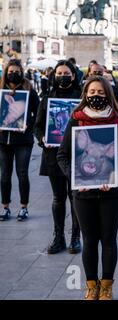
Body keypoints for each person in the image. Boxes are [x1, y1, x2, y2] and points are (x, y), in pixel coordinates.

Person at [57, 76, 118, 300]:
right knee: (89, 240)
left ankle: (107, 286)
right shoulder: (76, 120)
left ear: (108, 95)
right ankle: (92, 286)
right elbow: (63, 156)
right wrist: (75, 178)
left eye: (100, 93)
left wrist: (114, 176)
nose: (95, 97)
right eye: (92, 92)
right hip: (82, 194)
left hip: (112, 193)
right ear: (85, 94)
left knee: (109, 239)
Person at [34, 60, 82, 253]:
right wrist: (42, 137)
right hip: (54, 155)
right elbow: (37, 125)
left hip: (77, 155)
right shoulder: (47, 98)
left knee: (75, 197)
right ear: (54, 75)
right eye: (59, 73)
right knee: (58, 198)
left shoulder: (81, 97)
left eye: (66, 73)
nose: (63, 76)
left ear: (73, 75)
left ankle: (75, 238)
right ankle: (58, 237)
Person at [0, 59, 40, 222]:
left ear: (21, 72)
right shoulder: (1, 89)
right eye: (10, 71)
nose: (13, 74)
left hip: (23, 140)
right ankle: (5, 207)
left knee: (22, 173)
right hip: (2, 140)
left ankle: (24, 207)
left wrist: (25, 124)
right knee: (4, 175)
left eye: (16, 71)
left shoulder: (29, 89)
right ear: (6, 72)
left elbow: (38, 113)